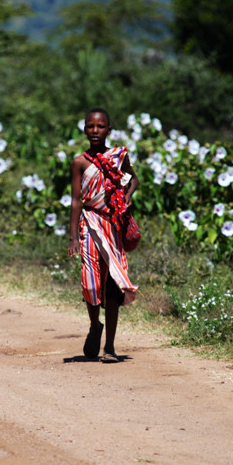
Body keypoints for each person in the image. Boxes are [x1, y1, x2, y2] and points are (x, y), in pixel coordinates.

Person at [67, 108, 139, 363]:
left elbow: (132, 179)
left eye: (100, 127)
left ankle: (109, 347)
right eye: (90, 126)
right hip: (88, 225)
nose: (94, 131)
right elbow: (76, 201)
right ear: (85, 130)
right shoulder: (79, 162)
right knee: (90, 283)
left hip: (113, 226)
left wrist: (127, 196)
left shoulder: (119, 156)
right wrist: (73, 236)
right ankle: (94, 325)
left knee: (111, 287)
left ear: (109, 130)